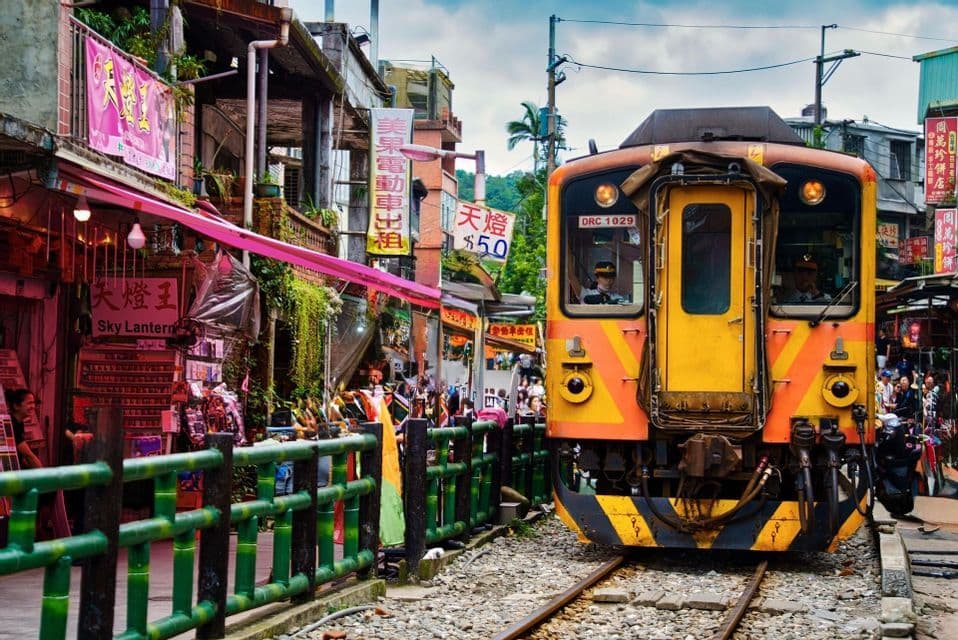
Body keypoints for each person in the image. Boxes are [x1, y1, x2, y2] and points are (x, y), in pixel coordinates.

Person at [4, 388, 43, 469]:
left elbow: (22, 456)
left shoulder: (19, 422)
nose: (33, 406)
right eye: (29, 403)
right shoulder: (10, 424)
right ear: (16, 406)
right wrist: (45, 475)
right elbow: (28, 455)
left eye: (33, 403)